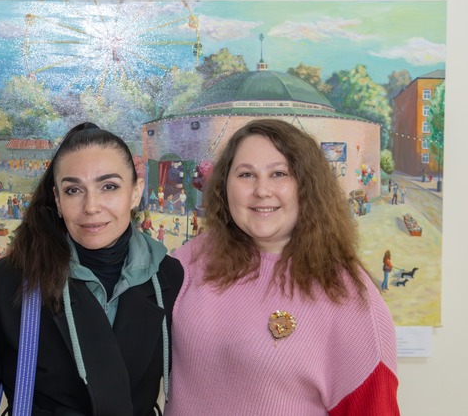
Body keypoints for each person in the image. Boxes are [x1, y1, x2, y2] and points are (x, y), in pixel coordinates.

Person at [0, 122, 184, 415]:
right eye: (73, 190)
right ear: (58, 200)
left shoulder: (170, 277)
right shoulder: (8, 282)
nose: (91, 206)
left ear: (136, 193)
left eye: (109, 186)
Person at [165, 119, 399, 415]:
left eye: (279, 174)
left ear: (307, 186)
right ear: (225, 186)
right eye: (246, 174)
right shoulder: (191, 259)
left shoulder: (350, 298)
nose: (262, 190)